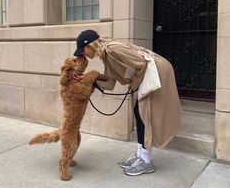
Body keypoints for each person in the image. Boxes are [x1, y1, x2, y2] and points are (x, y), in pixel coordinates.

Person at [73, 29, 181, 176]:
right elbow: (110, 83)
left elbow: (141, 64)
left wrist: (135, 83)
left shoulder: (111, 49)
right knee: (138, 111)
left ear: (90, 46)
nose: (83, 54)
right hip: (150, 71)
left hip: (158, 71)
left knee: (143, 113)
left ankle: (147, 161)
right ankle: (140, 155)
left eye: (83, 50)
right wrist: (88, 79)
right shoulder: (106, 54)